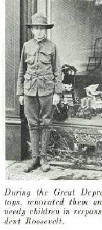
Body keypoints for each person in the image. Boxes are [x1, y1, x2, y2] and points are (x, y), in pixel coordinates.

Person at [16, 13, 62, 172]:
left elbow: (57, 71)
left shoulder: (52, 46)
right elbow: (21, 70)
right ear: (32, 30)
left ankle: (44, 158)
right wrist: (20, 93)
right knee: (32, 124)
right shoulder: (26, 46)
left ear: (46, 30)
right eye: (37, 28)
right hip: (29, 91)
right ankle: (34, 158)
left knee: (46, 123)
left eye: (42, 28)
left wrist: (57, 92)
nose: (40, 31)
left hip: (46, 90)